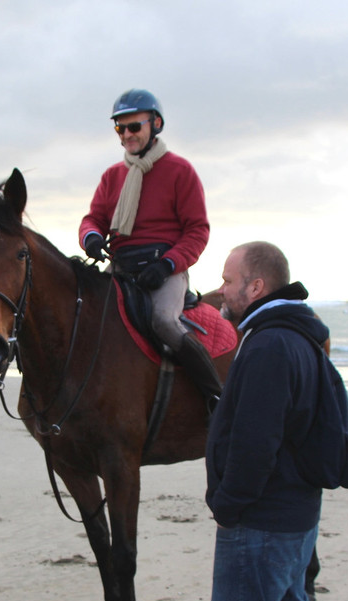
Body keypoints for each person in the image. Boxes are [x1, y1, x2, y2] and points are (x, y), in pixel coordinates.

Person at [188, 241, 325, 601]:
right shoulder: (301, 336)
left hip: (262, 520)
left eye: (228, 280)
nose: (221, 289)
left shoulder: (268, 345)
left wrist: (228, 505)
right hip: (296, 514)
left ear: (256, 287)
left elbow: (255, 441)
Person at [79, 88, 222, 406]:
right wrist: (90, 237)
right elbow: (93, 219)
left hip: (164, 268)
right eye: (120, 128)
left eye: (134, 126)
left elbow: (197, 231)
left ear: (155, 123)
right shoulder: (112, 176)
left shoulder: (180, 171)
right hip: (120, 266)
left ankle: (215, 397)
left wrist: (168, 265)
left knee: (163, 321)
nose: (127, 134)